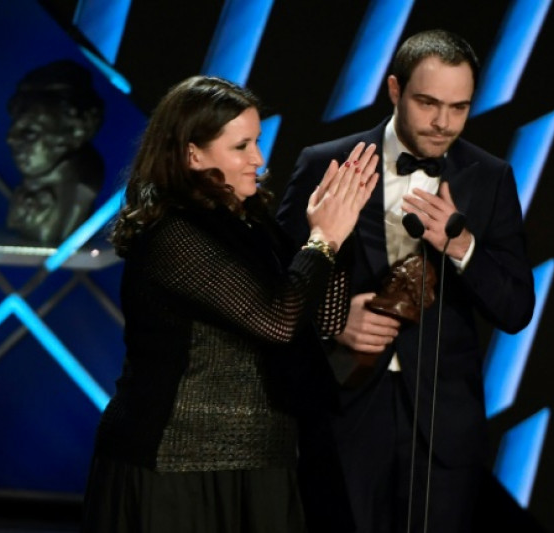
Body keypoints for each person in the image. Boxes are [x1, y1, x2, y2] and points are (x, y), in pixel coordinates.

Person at [81, 75, 379, 533]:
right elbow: (275, 321)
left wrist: (338, 236)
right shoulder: (175, 235)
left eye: (257, 142)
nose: (258, 160)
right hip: (180, 467)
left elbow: (323, 321)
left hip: (263, 461)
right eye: (241, 147)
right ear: (193, 153)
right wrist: (322, 240)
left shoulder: (252, 223)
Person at [277, 29, 535, 533]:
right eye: (428, 103)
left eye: (459, 108)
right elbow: (273, 290)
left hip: (444, 424)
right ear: (394, 89)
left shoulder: (490, 177)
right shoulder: (325, 163)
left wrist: (461, 247)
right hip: (344, 410)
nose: (443, 123)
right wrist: (333, 321)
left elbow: (516, 308)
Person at [5, 59, 104, 244]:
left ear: (75, 133)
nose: (10, 138)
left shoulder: (81, 190)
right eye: (14, 126)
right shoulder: (33, 183)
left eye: (30, 132)